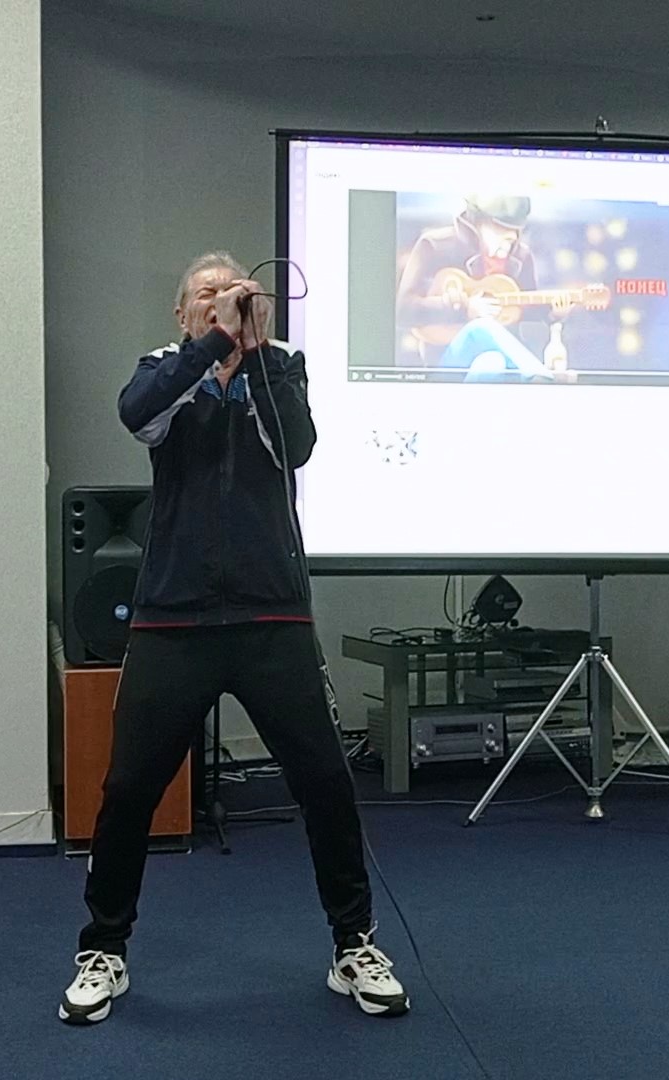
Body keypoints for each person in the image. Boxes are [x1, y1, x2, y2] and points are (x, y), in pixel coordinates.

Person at [60, 251, 410, 1026]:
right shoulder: (162, 368)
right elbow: (138, 414)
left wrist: (251, 355)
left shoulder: (280, 366)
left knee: (325, 781)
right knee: (128, 790)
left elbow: (295, 446)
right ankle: (103, 949)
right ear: (182, 313)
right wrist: (212, 348)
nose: (220, 302)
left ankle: (354, 944)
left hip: (270, 614)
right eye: (205, 295)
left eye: (232, 295)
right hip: (173, 617)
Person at [394, 195, 557, 382]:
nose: (511, 237)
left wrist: (554, 314)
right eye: (500, 228)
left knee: (492, 362)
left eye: (515, 230)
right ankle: (539, 377)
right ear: (478, 224)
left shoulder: (521, 257)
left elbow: (529, 310)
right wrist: (465, 309)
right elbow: (403, 311)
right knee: (481, 326)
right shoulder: (435, 245)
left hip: (504, 362)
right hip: (447, 361)